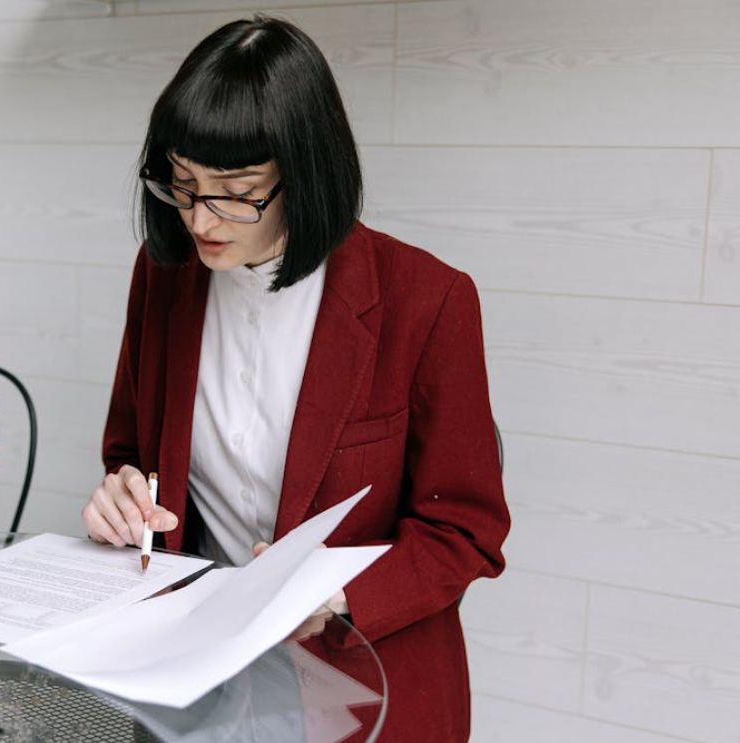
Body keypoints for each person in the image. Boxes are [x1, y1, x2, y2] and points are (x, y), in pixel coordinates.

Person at [81, 16, 509, 742]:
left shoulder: (426, 300)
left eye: (236, 189)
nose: (200, 218)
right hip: (197, 675)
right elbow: (131, 450)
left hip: (357, 682)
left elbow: (465, 529)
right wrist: (123, 495)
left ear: (304, 172)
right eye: (182, 184)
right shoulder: (163, 277)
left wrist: (331, 591)